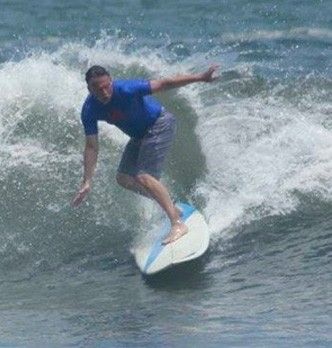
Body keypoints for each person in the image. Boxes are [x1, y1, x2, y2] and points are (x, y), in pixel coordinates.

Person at [72, 64, 218, 244]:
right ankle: (171, 207)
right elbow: (92, 147)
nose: (103, 92)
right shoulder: (89, 110)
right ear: (89, 88)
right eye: (97, 88)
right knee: (123, 178)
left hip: (159, 124)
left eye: (106, 86)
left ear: (111, 81)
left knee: (144, 176)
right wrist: (87, 180)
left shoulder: (126, 89)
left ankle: (177, 223)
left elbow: (165, 83)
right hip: (139, 135)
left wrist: (201, 77)